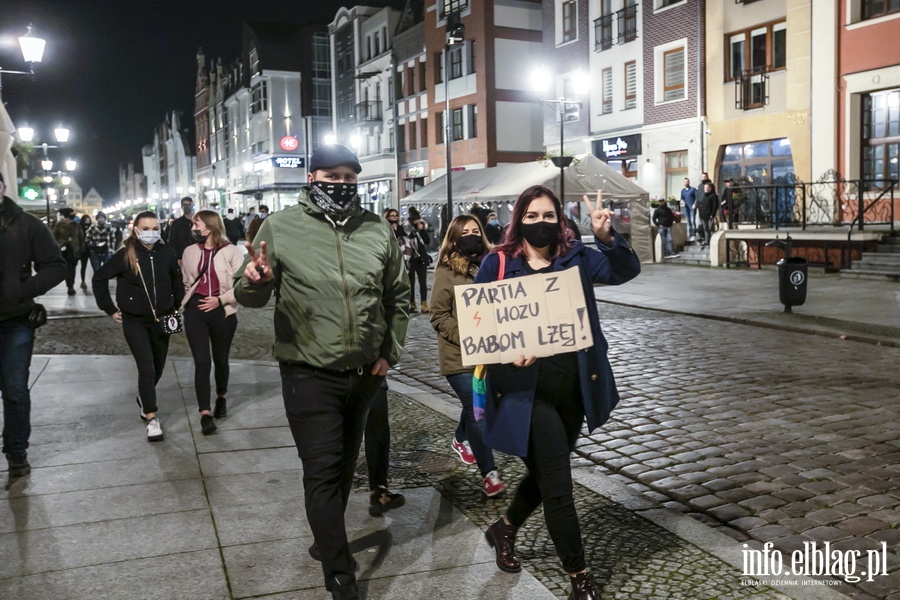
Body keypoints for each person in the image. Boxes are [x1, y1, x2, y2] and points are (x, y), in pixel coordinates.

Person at [234, 143, 409, 600]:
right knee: (322, 470)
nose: (342, 186)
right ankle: (339, 573)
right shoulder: (281, 226)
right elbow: (247, 292)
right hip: (308, 372)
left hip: (365, 374)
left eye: (350, 179)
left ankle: (325, 535)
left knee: (345, 467)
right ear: (311, 178)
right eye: (332, 177)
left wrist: (389, 351)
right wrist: (256, 281)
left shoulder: (376, 229)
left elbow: (398, 296)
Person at [474, 185, 640, 600]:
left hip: (573, 387)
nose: (541, 223)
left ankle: (505, 527)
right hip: (523, 394)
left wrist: (606, 237)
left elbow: (625, 271)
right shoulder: (497, 263)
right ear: (519, 220)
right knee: (559, 483)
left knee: (546, 471)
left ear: (560, 220)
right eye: (532, 216)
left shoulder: (577, 258)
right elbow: (476, 326)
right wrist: (507, 354)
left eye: (549, 216)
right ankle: (579, 577)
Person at [430, 215, 506, 497]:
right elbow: (438, 315)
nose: (472, 236)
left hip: (491, 352)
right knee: (478, 410)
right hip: (459, 356)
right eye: (465, 232)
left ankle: (461, 438)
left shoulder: (493, 265)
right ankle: (490, 475)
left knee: (480, 404)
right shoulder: (446, 271)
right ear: (453, 237)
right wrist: (468, 337)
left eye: (476, 231)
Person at [93, 210, 184, 442]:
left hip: (162, 319)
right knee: (146, 367)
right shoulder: (126, 255)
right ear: (136, 230)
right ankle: (152, 417)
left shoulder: (167, 253)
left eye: (155, 228)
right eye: (146, 228)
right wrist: (109, 308)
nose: (151, 233)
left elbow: (176, 280)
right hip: (134, 320)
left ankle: (145, 397)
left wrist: (175, 304)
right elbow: (99, 278)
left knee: (159, 366)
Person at [0, 171, 66, 478]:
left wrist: (25, 290)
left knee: (14, 388)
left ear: (2, 186)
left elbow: (55, 265)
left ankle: (16, 450)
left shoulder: (26, 224)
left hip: (15, 320)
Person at [181, 210, 243, 435]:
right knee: (201, 361)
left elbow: (242, 285)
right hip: (196, 311)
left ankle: (221, 397)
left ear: (209, 226)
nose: (193, 229)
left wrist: (220, 300)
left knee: (220, 359)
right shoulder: (189, 251)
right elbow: (186, 281)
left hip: (222, 311)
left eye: (196, 224)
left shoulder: (231, 251)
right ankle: (205, 413)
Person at [53, 207, 85, 296]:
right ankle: (70, 286)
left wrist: (82, 249)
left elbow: (81, 237)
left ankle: (71, 285)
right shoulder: (59, 224)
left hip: (74, 249)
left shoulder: (76, 224)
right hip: (64, 249)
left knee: (72, 269)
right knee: (68, 268)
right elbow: (54, 237)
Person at [404, 207, 431, 313]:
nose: (417, 221)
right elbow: (407, 239)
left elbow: (427, 241)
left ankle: (424, 303)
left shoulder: (421, 228)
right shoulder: (406, 228)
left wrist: (422, 230)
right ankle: (412, 303)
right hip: (410, 258)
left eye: (418, 219)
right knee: (410, 282)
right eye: (415, 219)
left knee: (423, 281)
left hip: (421, 259)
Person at [167, 196, 196, 261]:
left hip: (197, 255)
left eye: (189, 204)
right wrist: (177, 257)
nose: (187, 207)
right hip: (182, 256)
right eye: (185, 205)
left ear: (192, 205)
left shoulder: (198, 221)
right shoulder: (176, 223)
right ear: (182, 206)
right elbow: (172, 241)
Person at [698, 181, 718, 249]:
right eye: (705, 187)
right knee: (705, 229)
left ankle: (712, 242)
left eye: (707, 187)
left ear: (711, 188)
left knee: (711, 229)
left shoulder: (713, 196)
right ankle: (707, 241)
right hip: (703, 216)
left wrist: (712, 214)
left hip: (710, 216)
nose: (706, 189)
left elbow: (715, 206)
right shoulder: (704, 195)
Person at [77, 214, 93, 290]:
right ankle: (83, 281)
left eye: (88, 220)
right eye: (86, 220)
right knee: (83, 266)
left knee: (95, 266)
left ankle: (96, 280)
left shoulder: (92, 228)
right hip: (84, 251)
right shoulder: (79, 228)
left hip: (92, 249)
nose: (87, 221)